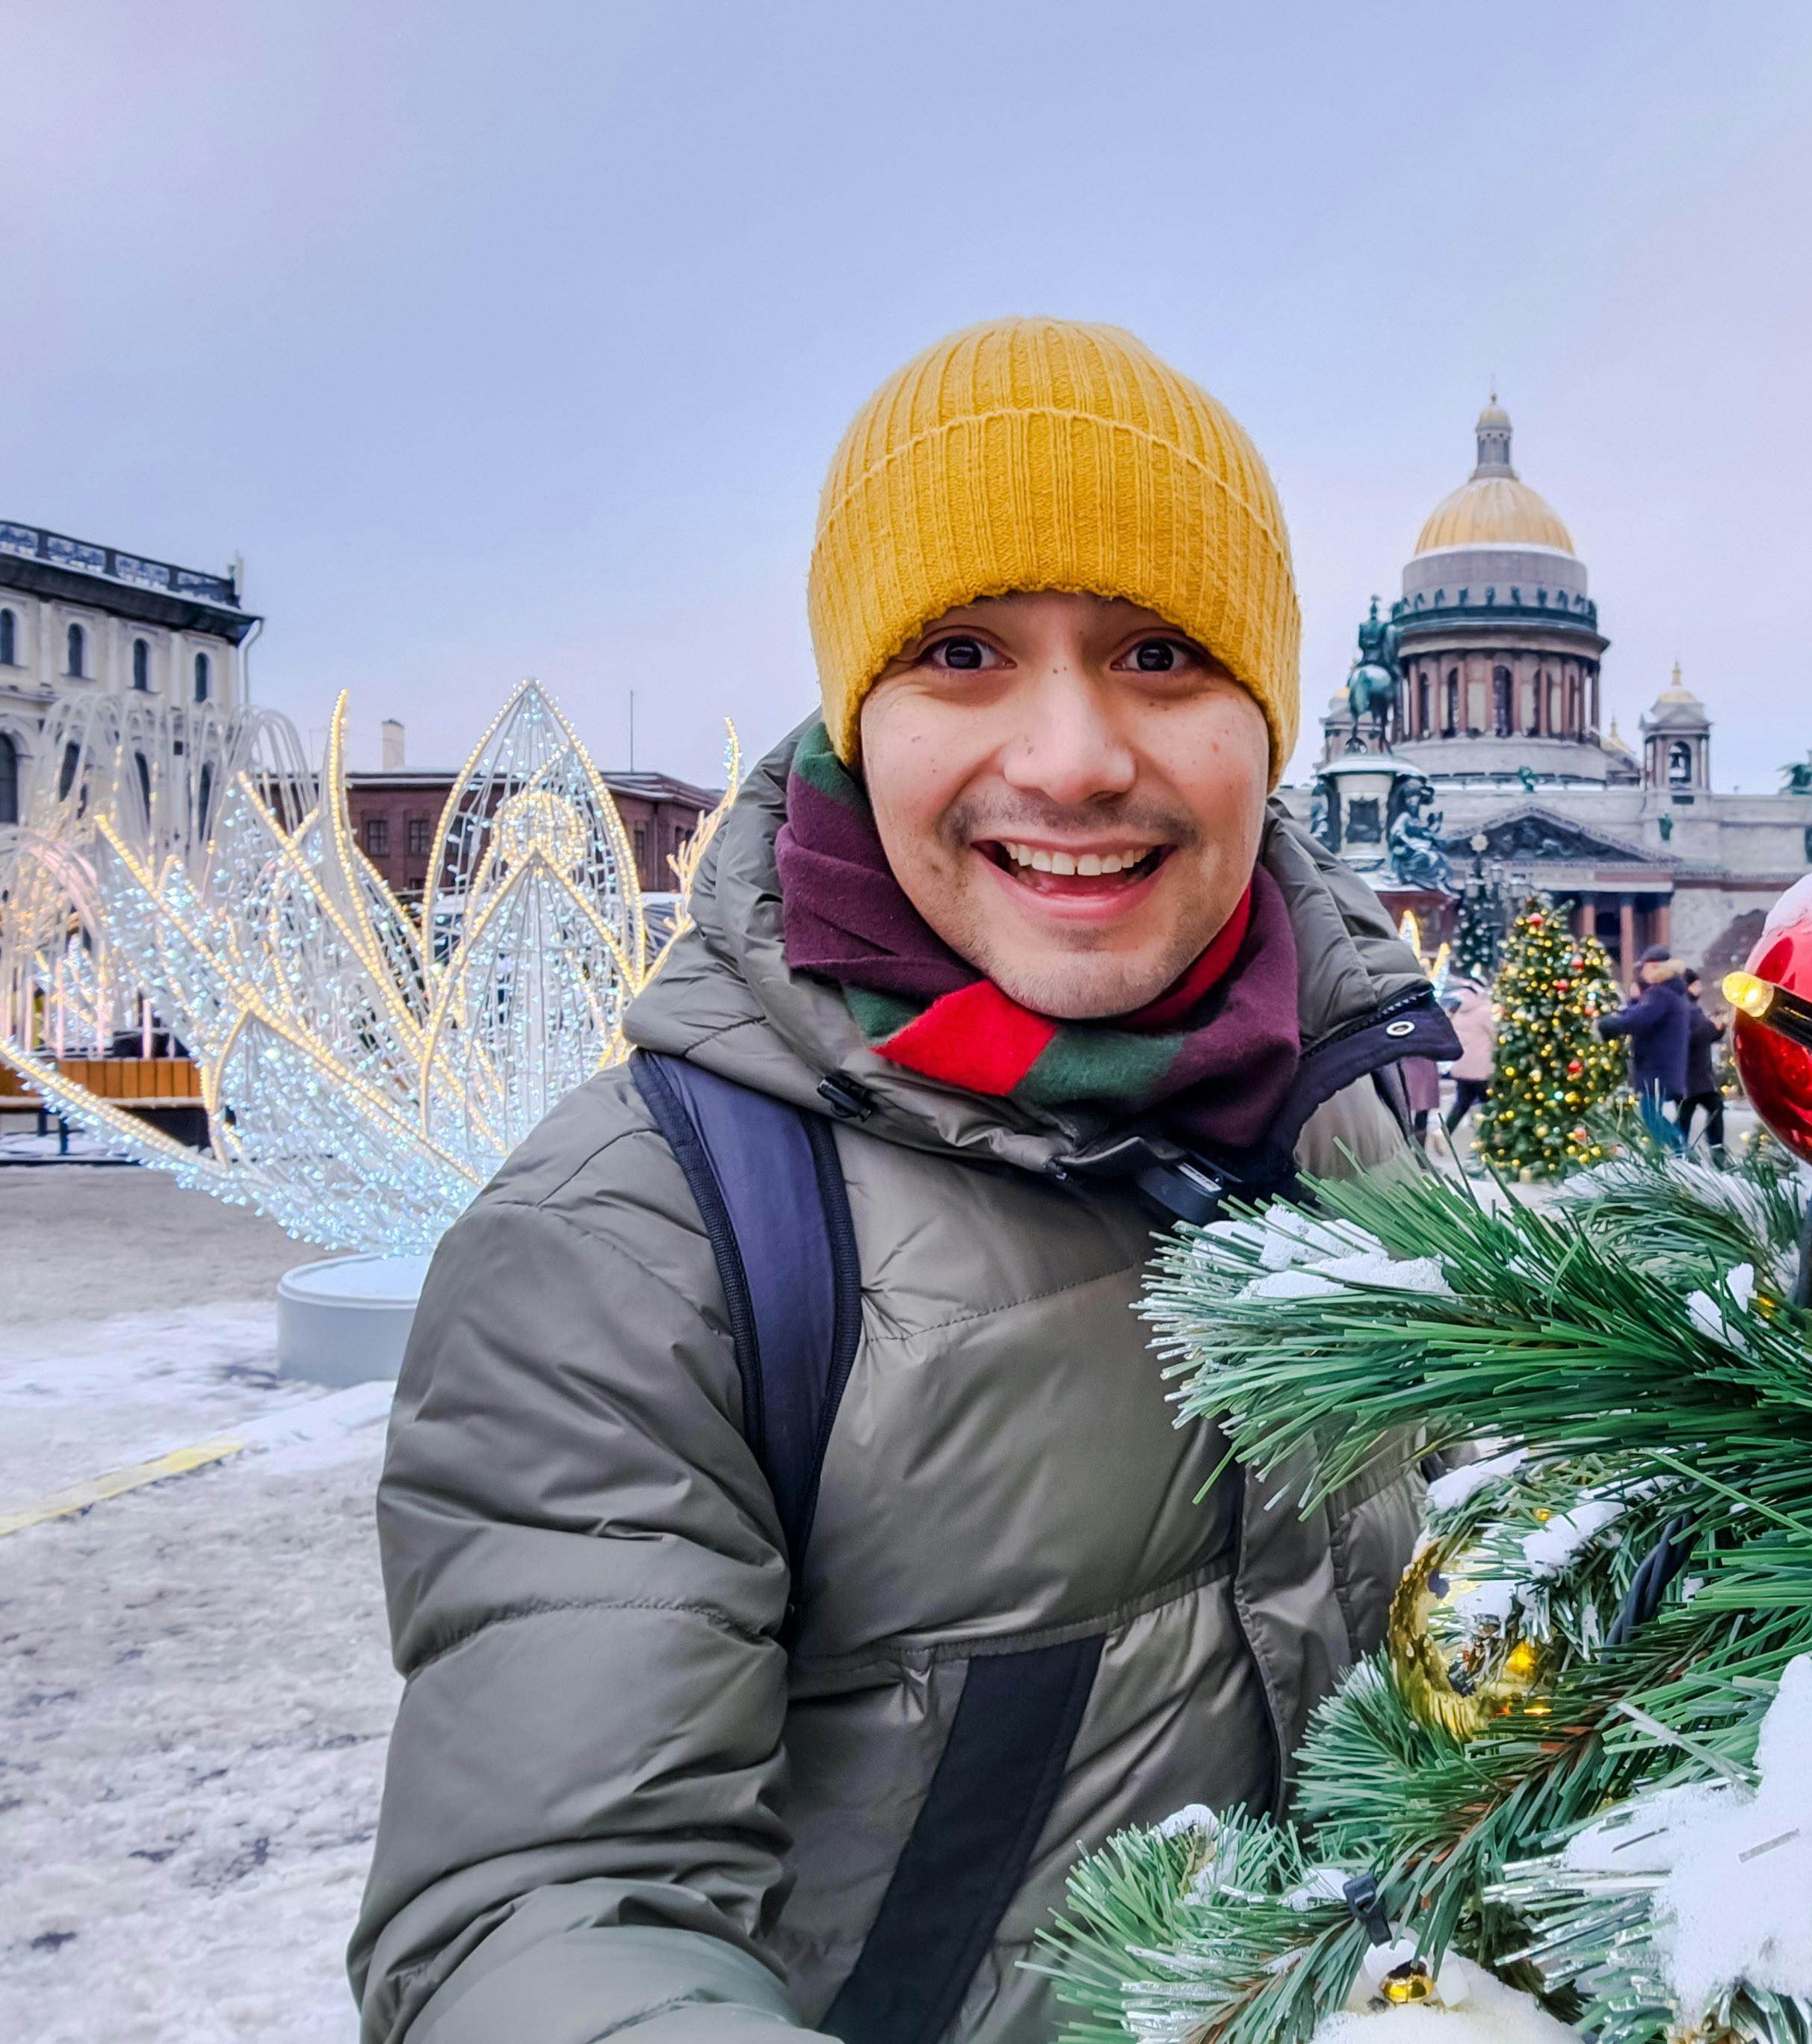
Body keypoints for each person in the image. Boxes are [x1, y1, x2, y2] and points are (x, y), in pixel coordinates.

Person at [350, 319, 1445, 2044]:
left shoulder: (1346, 1112)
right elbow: (544, 1910)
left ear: (1272, 718)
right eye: (962, 650)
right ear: (860, 717)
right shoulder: (641, 1241)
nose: (1072, 757)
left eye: (1163, 650)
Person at [1597, 944, 1691, 1145]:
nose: (1642, 972)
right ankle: (1680, 1157)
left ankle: (1684, 1158)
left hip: (1656, 1069)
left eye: (1645, 968)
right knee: (1655, 1117)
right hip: (1665, 1068)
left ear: (1655, 967)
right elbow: (1638, 1012)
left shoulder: (1660, 994)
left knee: (1653, 1119)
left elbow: (1640, 1019)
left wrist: (1609, 1025)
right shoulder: (1673, 993)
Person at [1677, 965, 1728, 1161]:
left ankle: (1690, 1149)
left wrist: (1719, 1029)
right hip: (1690, 1075)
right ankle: (1690, 1149)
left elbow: (1704, 1036)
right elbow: (1687, 1038)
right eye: (1696, 984)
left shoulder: (1692, 1008)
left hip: (1698, 1074)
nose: (1699, 988)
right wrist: (1710, 1027)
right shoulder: (1683, 1009)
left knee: (1703, 1111)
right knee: (1690, 1114)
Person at [1441, 980, 1495, 1136]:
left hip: (1461, 1067)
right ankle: (1487, 1136)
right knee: (1488, 1102)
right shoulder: (1484, 1012)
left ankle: (1444, 1133)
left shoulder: (1458, 1012)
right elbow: (1495, 1035)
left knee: (1462, 1103)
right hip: (1481, 1068)